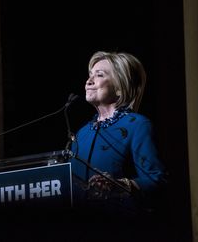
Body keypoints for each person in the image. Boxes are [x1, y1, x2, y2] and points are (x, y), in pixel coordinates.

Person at [69, 51, 167, 220]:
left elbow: (156, 180)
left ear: (120, 87)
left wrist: (120, 185)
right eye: (89, 75)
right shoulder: (82, 133)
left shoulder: (137, 125)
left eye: (99, 75)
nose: (89, 81)